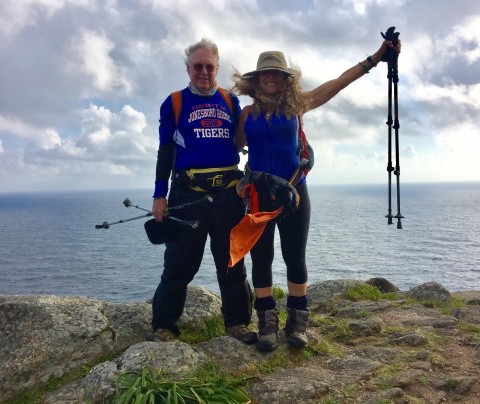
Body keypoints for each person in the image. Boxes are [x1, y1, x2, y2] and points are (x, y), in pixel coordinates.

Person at [232, 38, 401, 351]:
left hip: (293, 192)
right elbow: (231, 147)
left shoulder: (297, 106)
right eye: (265, 74)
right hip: (258, 197)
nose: (270, 78)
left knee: (295, 258)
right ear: (256, 80)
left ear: (285, 80)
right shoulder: (245, 115)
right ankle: (267, 326)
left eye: (276, 74)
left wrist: (377, 57)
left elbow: (337, 84)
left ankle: (297, 325)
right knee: (262, 259)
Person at [147, 38, 256, 344]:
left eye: (209, 66)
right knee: (179, 263)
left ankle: (237, 323)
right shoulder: (174, 103)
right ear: (188, 68)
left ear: (217, 68)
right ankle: (164, 326)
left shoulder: (230, 100)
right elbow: (165, 151)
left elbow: (243, 141)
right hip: (187, 193)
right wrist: (159, 195)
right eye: (198, 66)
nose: (204, 72)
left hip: (227, 194)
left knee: (231, 262)